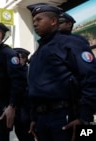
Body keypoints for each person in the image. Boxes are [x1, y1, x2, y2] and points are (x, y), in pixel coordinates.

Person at [27, 4, 96, 141]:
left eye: (39, 19)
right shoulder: (37, 54)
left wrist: (84, 118)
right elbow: (36, 89)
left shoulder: (71, 44)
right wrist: (35, 118)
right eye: (33, 21)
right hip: (42, 120)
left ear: (53, 21)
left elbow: (91, 78)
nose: (35, 24)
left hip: (66, 117)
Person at [12, 48, 34, 141]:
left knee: (27, 133)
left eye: (20, 58)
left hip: (26, 107)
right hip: (17, 108)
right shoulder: (14, 72)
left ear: (24, 59)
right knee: (19, 131)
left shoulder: (28, 72)